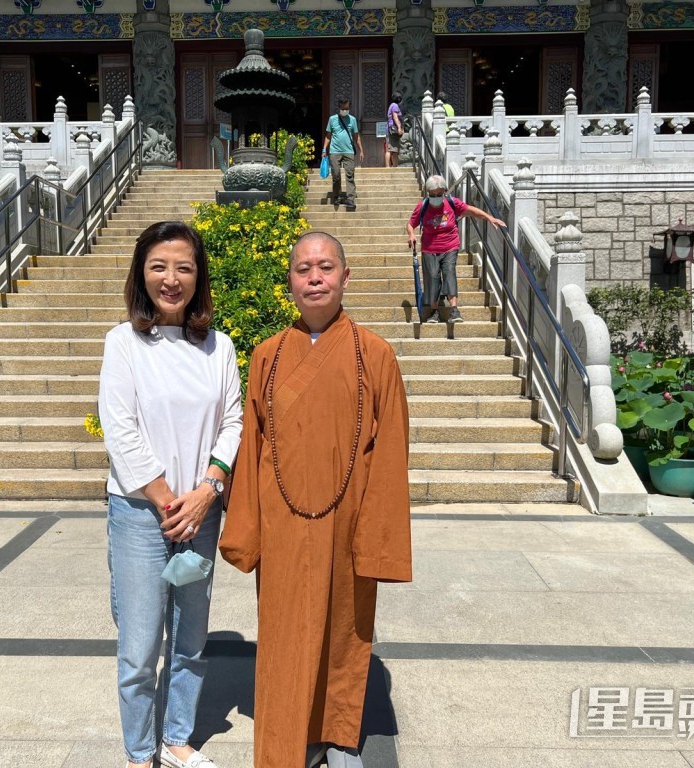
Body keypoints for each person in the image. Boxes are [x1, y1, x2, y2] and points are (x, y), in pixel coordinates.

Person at [219, 231, 412, 768]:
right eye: (303, 269)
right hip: (282, 521)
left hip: (348, 519)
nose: (314, 277)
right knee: (283, 635)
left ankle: (337, 735)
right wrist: (248, 528)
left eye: (325, 267)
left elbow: (391, 448)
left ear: (345, 278)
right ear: (290, 282)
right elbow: (252, 444)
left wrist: (378, 537)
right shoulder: (267, 356)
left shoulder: (375, 354)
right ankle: (286, 739)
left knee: (344, 628)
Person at [99, 220, 243, 768]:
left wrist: (207, 490)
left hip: (200, 514)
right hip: (141, 515)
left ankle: (177, 738)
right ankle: (139, 753)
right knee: (139, 649)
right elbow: (121, 429)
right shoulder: (124, 343)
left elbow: (232, 421)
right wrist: (167, 501)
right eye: (159, 266)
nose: (171, 278)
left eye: (184, 267)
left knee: (191, 640)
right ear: (142, 272)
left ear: (198, 276)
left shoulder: (219, 347)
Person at [407, 174, 506, 324]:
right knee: (432, 277)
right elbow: (410, 224)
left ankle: (454, 310)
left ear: (445, 192)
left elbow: (471, 210)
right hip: (429, 248)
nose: (436, 197)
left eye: (439, 194)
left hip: (450, 246)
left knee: (449, 273)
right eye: (432, 195)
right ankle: (434, 312)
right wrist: (411, 234)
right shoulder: (423, 206)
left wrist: (489, 218)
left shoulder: (452, 203)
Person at [321, 97, 365, 211]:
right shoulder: (332, 119)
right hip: (334, 151)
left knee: (350, 175)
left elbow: (356, 136)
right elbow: (328, 136)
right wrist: (324, 150)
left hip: (349, 151)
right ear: (339, 107)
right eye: (343, 108)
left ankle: (350, 199)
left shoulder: (353, 120)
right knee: (336, 175)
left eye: (347, 108)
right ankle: (337, 196)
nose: (345, 110)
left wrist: (361, 150)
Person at [384, 92, 404, 168]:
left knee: (395, 150)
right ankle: (387, 167)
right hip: (392, 130)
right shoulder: (395, 106)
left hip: (393, 130)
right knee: (389, 149)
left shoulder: (393, 105)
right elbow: (395, 117)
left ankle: (395, 166)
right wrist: (399, 127)